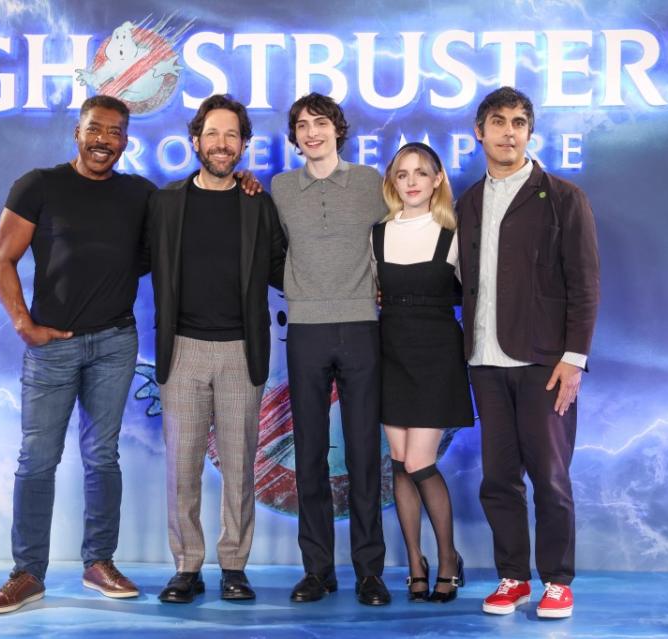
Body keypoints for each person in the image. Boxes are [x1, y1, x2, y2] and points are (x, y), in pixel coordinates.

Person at [0, 95, 153, 614]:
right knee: (38, 458)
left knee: (102, 455)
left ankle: (98, 563)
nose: (104, 140)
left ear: (126, 140)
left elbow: (192, 215)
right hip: (52, 345)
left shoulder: (141, 195)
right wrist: (22, 324)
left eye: (115, 132)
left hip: (115, 343)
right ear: (76, 133)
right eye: (95, 130)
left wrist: (247, 182)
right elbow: (2, 257)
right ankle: (27, 574)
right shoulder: (39, 185)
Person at [457, 87, 600, 619]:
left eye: (519, 123)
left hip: (544, 363)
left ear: (529, 133)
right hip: (485, 362)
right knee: (498, 478)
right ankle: (513, 577)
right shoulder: (469, 202)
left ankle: (557, 581)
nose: (508, 132)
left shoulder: (564, 198)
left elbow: (585, 285)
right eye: (498, 122)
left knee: (551, 477)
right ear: (480, 132)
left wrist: (574, 358)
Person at [147, 94, 286, 604]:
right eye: (212, 134)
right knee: (182, 467)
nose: (222, 144)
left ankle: (234, 565)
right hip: (181, 351)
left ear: (244, 145)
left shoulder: (259, 203)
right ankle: (186, 566)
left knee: (239, 466)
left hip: (240, 352)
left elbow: (283, 269)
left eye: (232, 136)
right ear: (195, 141)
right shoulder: (163, 205)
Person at [270, 93, 390, 606]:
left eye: (320, 123)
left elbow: (398, 237)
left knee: (364, 454)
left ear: (338, 130)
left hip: (362, 325)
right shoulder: (278, 188)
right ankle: (318, 569)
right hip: (307, 329)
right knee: (311, 453)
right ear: (294, 136)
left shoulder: (368, 182)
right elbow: (267, 249)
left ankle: (369, 571)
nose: (312, 132)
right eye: (302, 125)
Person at [371, 142, 474, 603]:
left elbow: (476, 296)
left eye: (421, 172)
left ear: (437, 180)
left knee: (419, 462)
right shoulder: (377, 233)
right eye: (402, 173)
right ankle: (416, 563)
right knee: (398, 462)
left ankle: (449, 559)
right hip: (389, 350)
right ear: (393, 181)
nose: (411, 181)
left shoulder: (454, 232)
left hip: (435, 355)